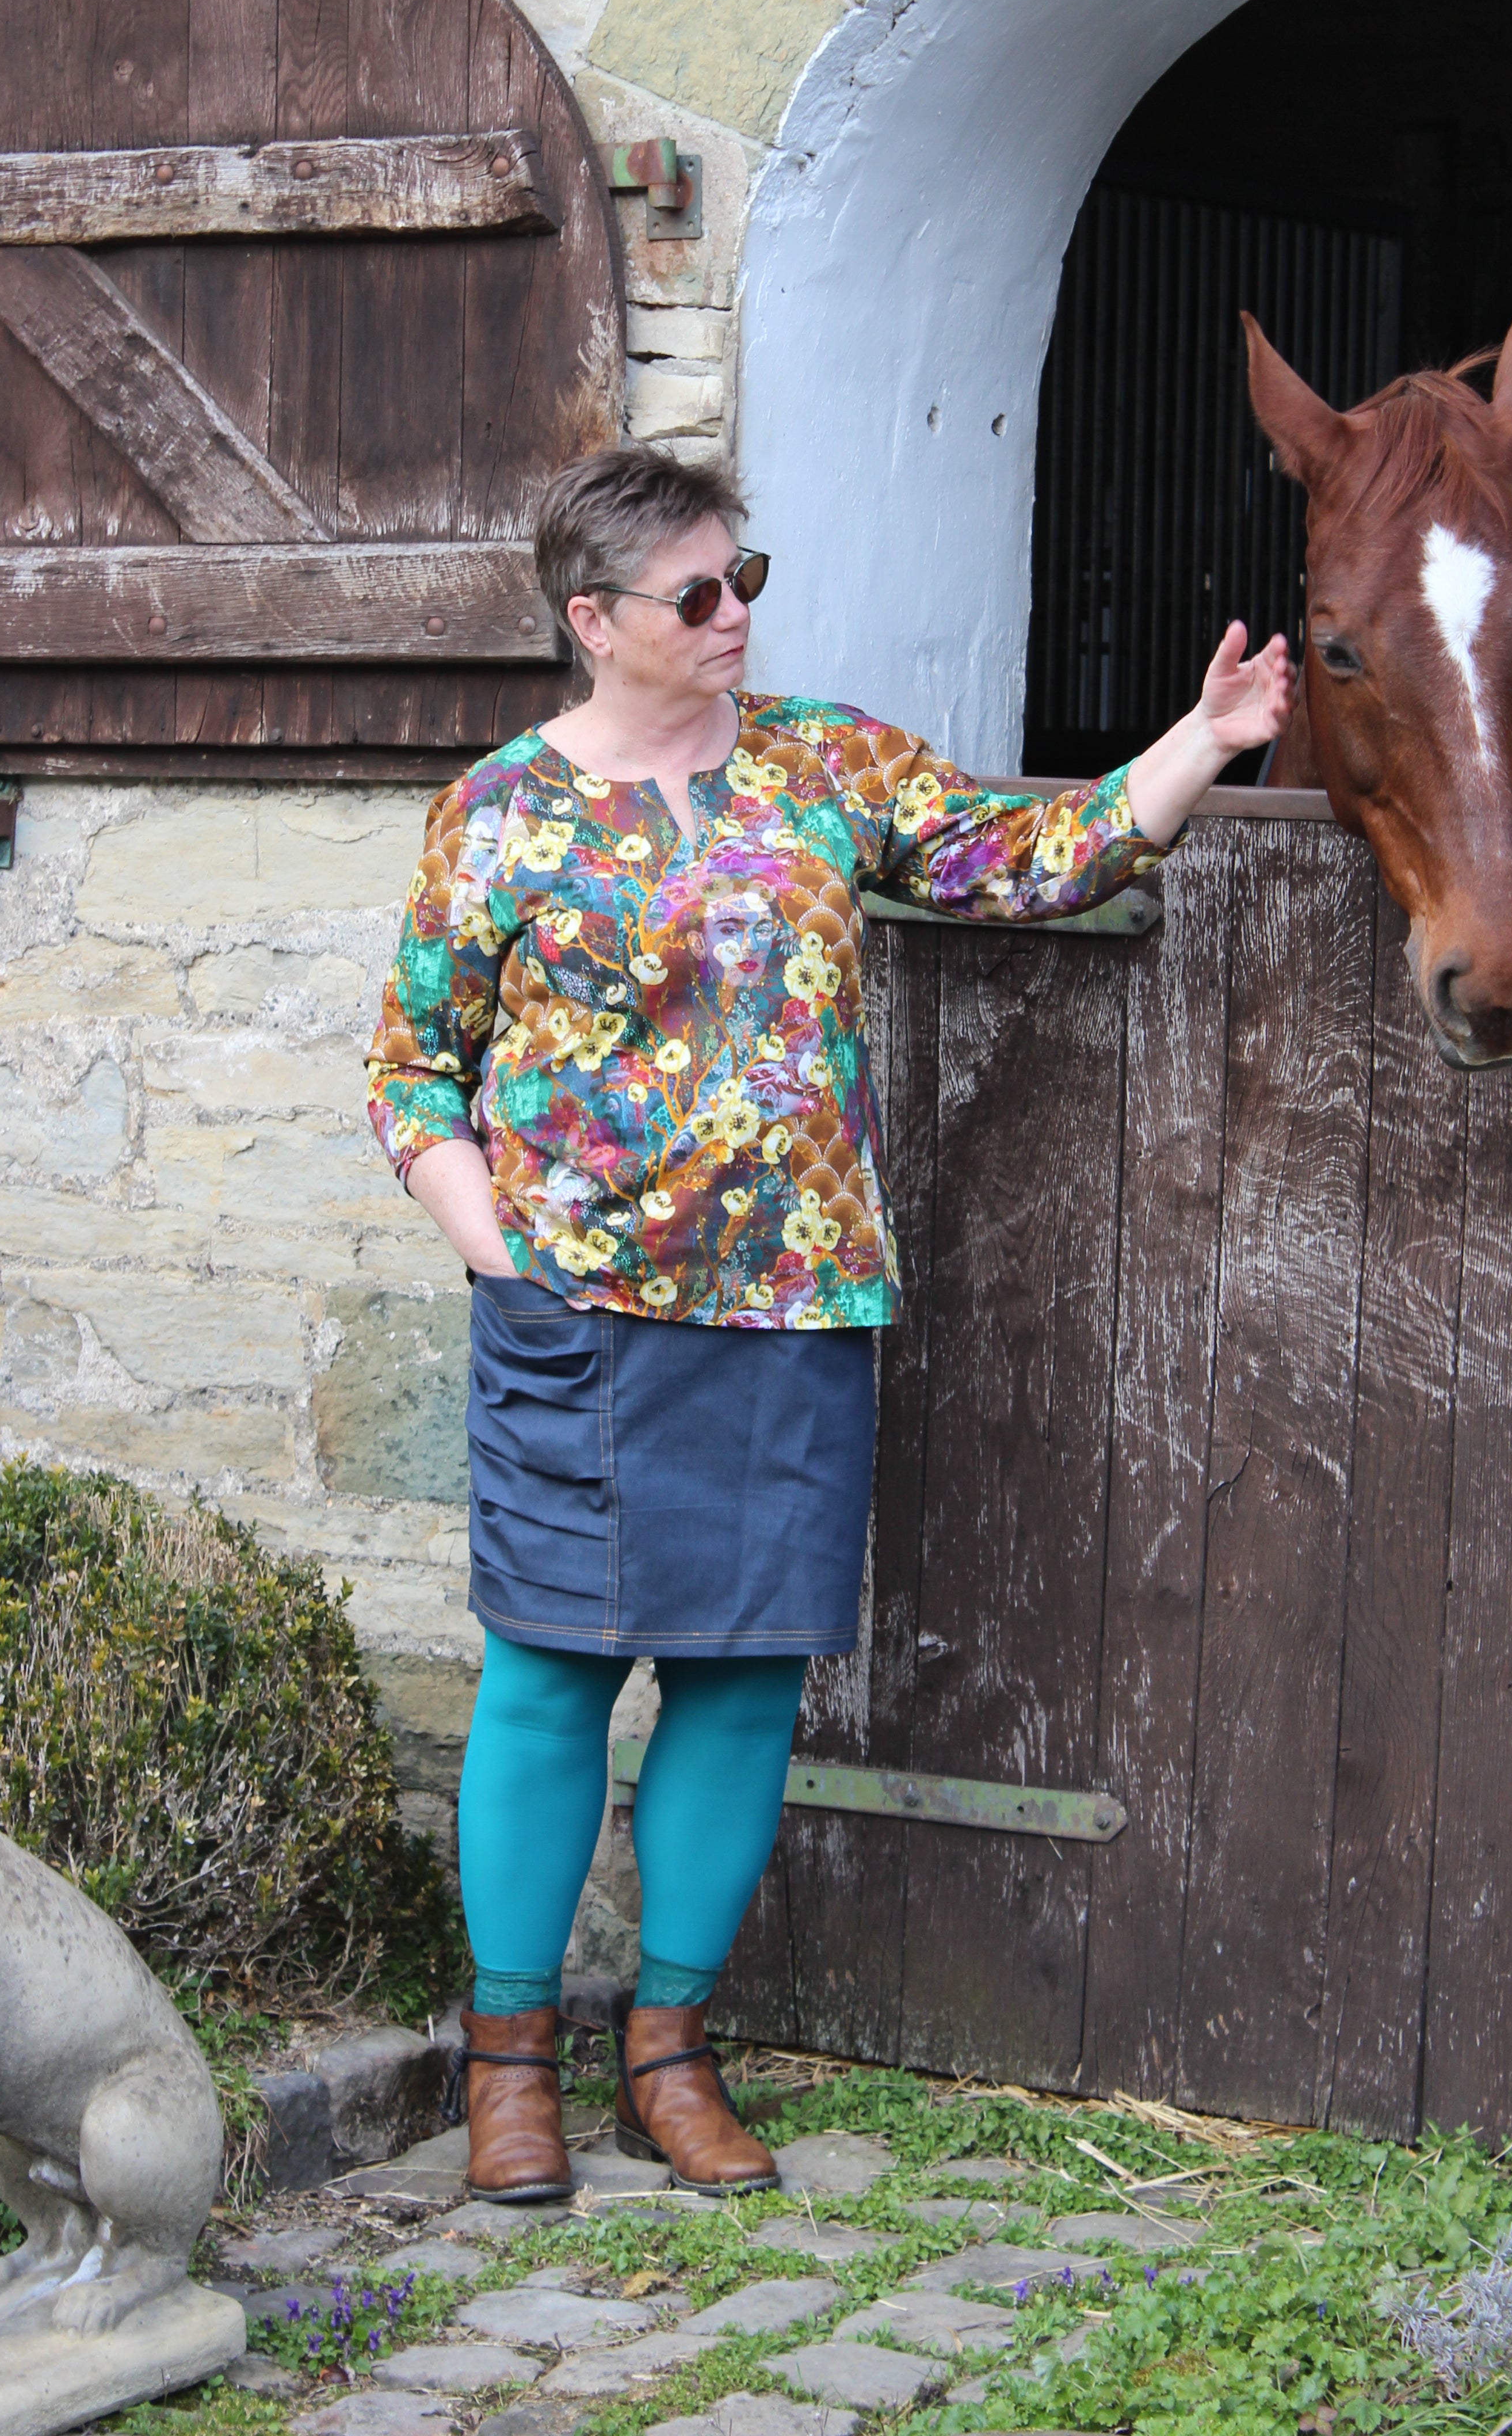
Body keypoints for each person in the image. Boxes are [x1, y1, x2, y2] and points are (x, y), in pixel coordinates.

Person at [366, 444, 1292, 2202]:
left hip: (793, 1312)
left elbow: (1032, 862)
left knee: (739, 1687)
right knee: (553, 1677)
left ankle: (668, 2050)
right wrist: (499, 1250)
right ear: (593, 621)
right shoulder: (499, 815)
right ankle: (509, 2065)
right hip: (580, 1318)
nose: (736, 620)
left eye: (748, 583)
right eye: (699, 596)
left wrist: (1206, 740)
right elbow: (415, 1072)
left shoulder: (822, 764)